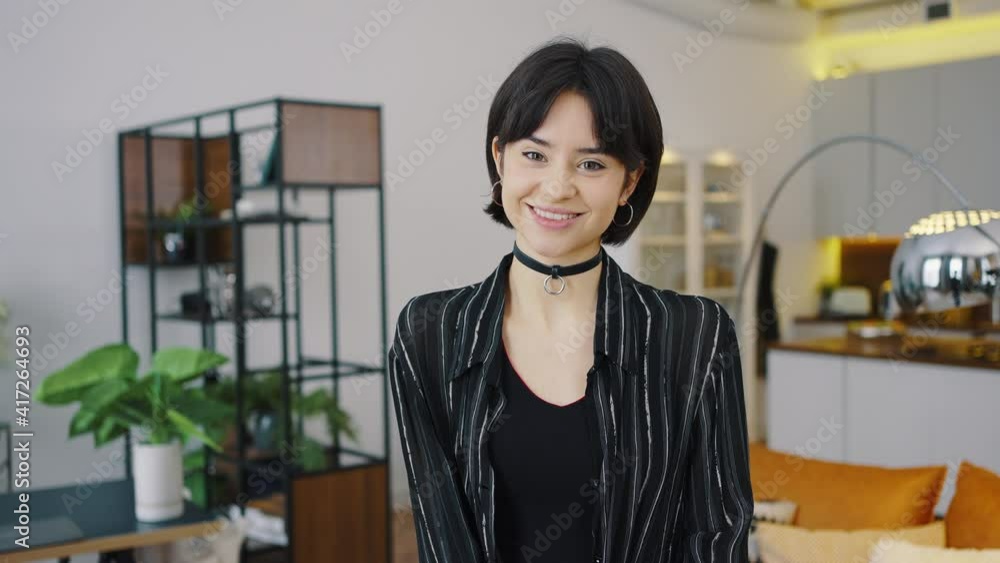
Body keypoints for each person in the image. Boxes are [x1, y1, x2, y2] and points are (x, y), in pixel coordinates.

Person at [388, 36, 753, 563]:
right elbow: (441, 535)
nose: (558, 187)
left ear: (629, 182)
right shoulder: (430, 333)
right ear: (500, 158)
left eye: (592, 164)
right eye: (534, 155)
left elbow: (717, 537)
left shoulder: (695, 336)